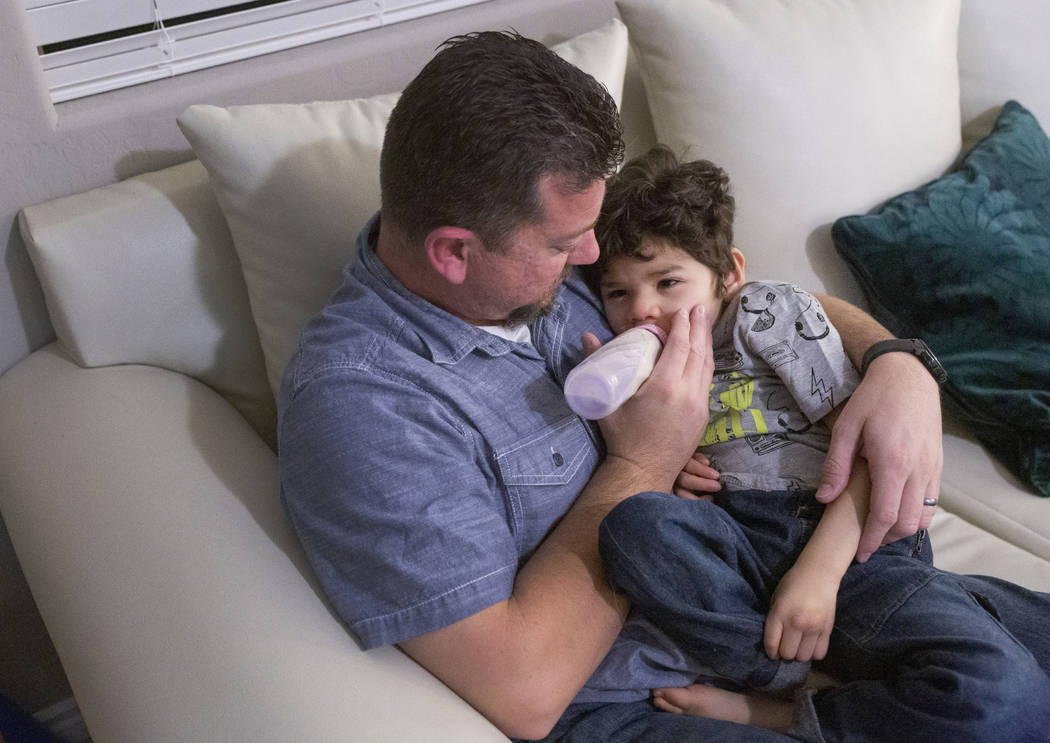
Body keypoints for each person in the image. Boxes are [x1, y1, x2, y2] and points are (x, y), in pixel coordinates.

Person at [278, 31, 947, 742]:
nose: (593, 261)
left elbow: (756, 303)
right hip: (644, 698)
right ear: (453, 252)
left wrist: (898, 364)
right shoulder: (365, 406)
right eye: (567, 246)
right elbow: (525, 689)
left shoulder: (530, 270)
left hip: (787, 579)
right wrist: (645, 465)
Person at [581, 144, 1050, 741]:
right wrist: (669, 472)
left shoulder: (764, 314)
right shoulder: (635, 367)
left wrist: (819, 575)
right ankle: (780, 673)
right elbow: (651, 471)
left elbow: (874, 450)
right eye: (618, 293)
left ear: (728, 273)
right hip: (740, 549)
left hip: (845, 543)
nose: (642, 309)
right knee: (632, 526)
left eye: (667, 282)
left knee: (1001, 694)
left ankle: (796, 711)